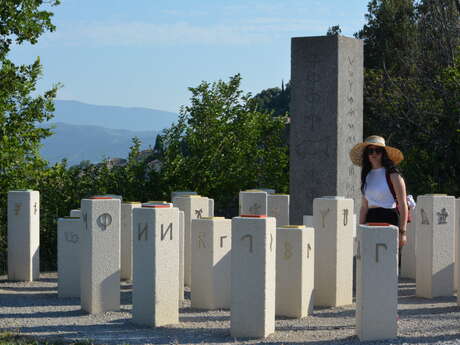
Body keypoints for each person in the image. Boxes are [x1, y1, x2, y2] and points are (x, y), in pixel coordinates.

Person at [349, 135, 408, 247]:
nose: (374, 154)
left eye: (378, 150)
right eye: (370, 151)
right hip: (370, 219)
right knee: (370, 259)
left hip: (389, 218)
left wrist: (403, 232)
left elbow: (403, 204)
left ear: (383, 153)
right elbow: (364, 207)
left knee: (388, 259)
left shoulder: (393, 175)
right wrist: (359, 230)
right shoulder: (366, 176)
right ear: (367, 154)